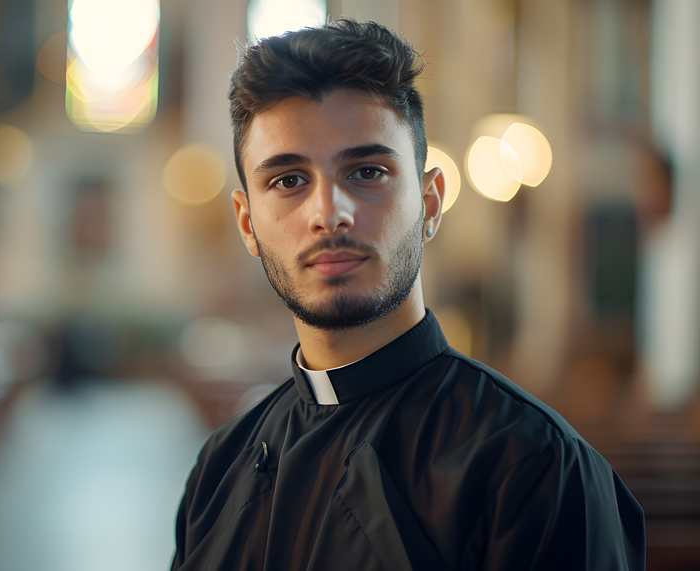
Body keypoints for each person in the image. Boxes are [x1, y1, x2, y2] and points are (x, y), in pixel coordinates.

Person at [171, 19, 645, 570]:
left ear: (431, 201)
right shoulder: (218, 468)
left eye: (367, 171)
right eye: (289, 181)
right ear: (248, 222)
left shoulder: (533, 466)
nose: (330, 213)